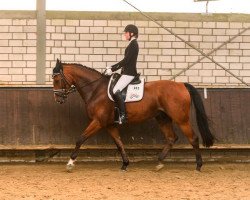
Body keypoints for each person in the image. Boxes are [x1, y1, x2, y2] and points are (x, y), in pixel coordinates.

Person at [105, 24, 139, 124]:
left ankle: (123, 115)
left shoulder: (133, 44)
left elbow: (126, 60)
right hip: (126, 72)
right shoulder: (132, 44)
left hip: (129, 73)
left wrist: (113, 68)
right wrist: (112, 67)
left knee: (116, 90)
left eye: (126, 32)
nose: (125, 34)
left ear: (131, 33)